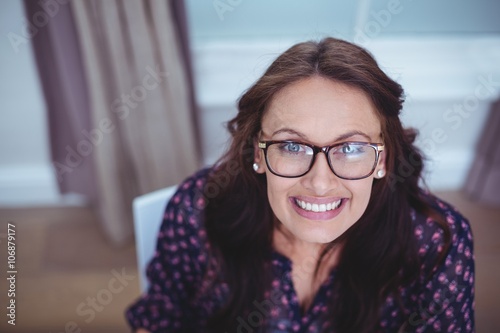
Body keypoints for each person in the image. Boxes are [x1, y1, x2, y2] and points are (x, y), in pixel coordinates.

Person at [126, 37, 475, 333]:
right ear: (258, 154)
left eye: (350, 148)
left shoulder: (437, 242)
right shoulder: (198, 207)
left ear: (382, 160)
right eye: (291, 146)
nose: (320, 183)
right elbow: (162, 316)